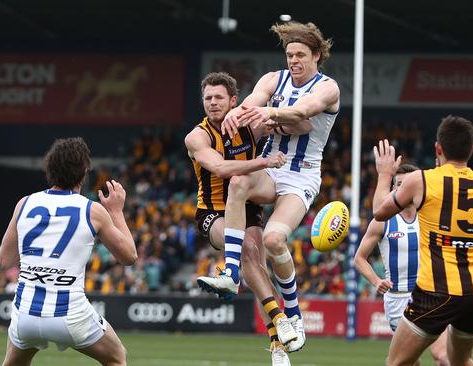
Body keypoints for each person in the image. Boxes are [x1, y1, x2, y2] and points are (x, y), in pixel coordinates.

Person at [197, 21, 340, 353]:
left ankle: (294, 315)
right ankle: (231, 272)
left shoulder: (328, 87)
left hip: (302, 175)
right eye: (290, 54)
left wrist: (267, 113)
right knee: (239, 180)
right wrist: (240, 112)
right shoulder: (274, 79)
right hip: (272, 164)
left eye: (301, 55)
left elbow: (304, 112)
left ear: (317, 56)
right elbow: (253, 101)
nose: (294, 61)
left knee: (275, 240)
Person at [185, 72, 312, 365]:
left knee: (255, 261)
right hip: (213, 211)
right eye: (208, 98)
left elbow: (304, 125)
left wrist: (274, 113)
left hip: (247, 204)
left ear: (233, 101)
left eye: (219, 98)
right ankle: (280, 319)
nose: (213, 103)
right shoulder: (197, 136)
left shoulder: (250, 124)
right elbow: (220, 169)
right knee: (247, 251)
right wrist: (264, 162)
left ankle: (276, 343)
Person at [0, 137, 137, 366]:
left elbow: (4, 261)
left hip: (26, 312)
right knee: (116, 358)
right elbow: (129, 257)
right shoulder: (92, 210)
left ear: (49, 169)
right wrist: (116, 211)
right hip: (70, 314)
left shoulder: (24, 204)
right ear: (84, 172)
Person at [372, 116, 473, 366]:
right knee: (459, 362)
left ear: (438, 148)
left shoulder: (422, 180)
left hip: (436, 291)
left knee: (396, 363)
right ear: (472, 149)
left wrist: (385, 175)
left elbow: (379, 213)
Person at [354, 164, 451, 366]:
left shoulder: (428, 216)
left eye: (408, 184)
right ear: (393, 189)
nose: (403, 189)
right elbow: (359, 258)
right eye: (399, 184)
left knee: (443, 357)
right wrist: (375, 280)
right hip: (397, 300)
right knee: (408, 361)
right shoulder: (383, 221)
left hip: (429, 294)